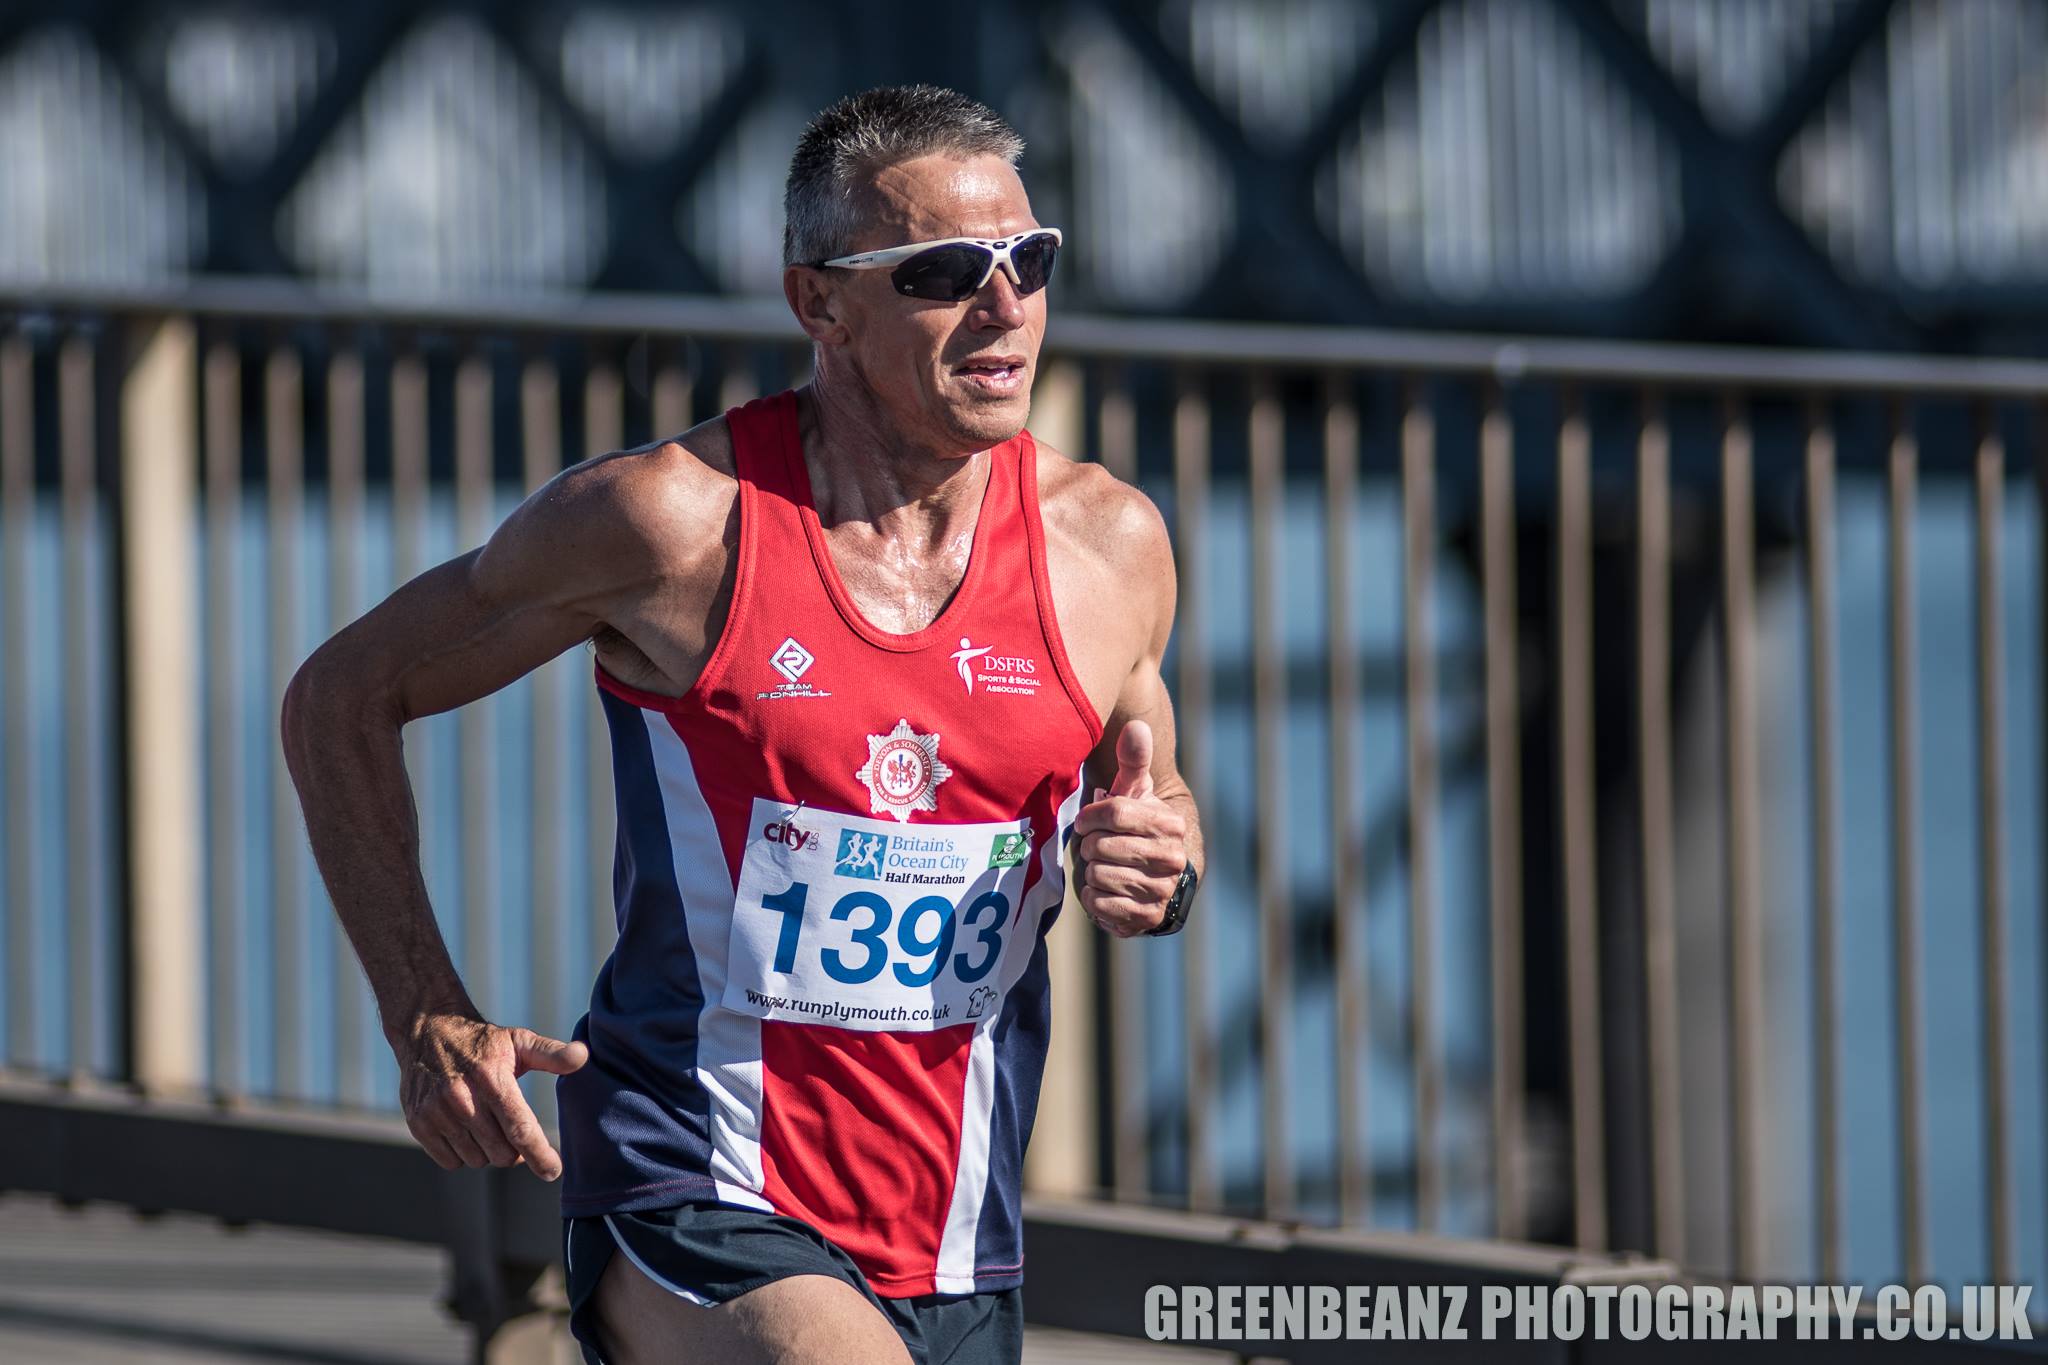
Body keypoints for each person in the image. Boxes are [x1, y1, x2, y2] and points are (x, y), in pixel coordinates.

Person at [281, 83, 1204, 1365]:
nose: (1005, 310)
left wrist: (1161, 865)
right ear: (818, 302)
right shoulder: (671, 527)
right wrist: (425, 1015)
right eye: (944, 272)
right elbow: (340, 695)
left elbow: (1152, 806)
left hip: (955, 1228)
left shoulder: (1109, 547)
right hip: (693, 1178)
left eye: (1028, 261)